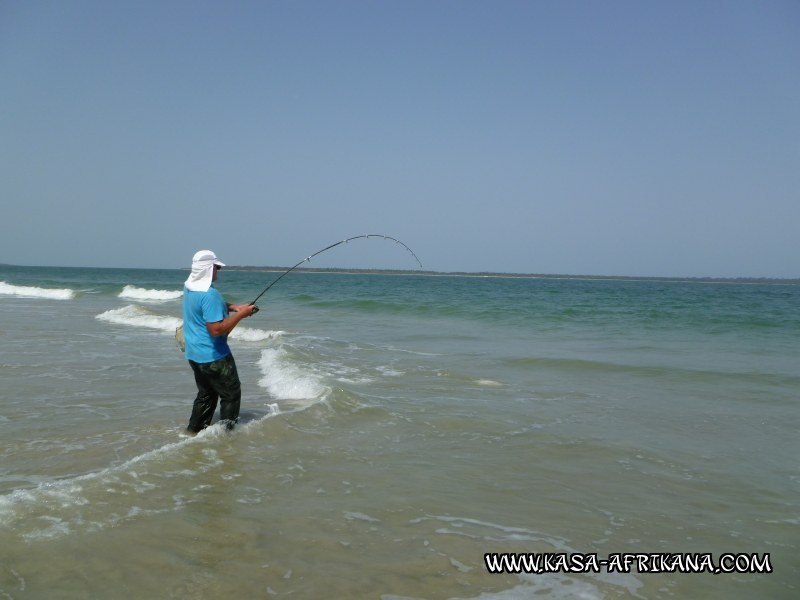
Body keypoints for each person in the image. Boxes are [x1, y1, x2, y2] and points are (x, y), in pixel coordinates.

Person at [182, 250, 257, 433]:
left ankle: (193, 431)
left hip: (194, 353)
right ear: (208, 269)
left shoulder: (189, 286)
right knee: (231, 394)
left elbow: (209, 307)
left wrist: (234, 307)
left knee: (206, 394)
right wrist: (242, 315)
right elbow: (216, 330)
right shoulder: (209, 294)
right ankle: (226, 436)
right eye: (216, 267)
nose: (218, 271)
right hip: (214, 356)